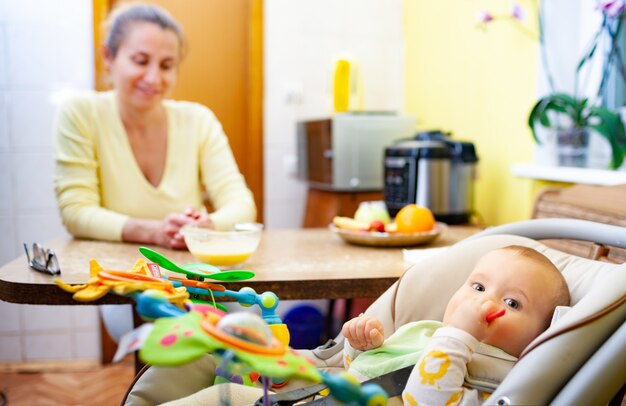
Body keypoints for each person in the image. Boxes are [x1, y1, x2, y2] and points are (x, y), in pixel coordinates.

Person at [53, 2, 256, 250]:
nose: (153, 78)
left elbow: (242, 206)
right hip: (107, 275)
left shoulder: (198, 120)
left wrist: (206, 226)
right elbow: (76, 212)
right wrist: (154, 232)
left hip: (186, 278)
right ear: (108, 56)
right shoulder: (81, 113)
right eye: (140, 61)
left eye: (166, 65)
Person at [341, 245, 570, 405]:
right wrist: (363, 346)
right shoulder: (426, 331)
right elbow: (359, 369)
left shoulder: (498, 377)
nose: (484, 301)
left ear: (540, 335)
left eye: (512, 303)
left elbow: (426, 401)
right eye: (479, 287)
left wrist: (459, 335)